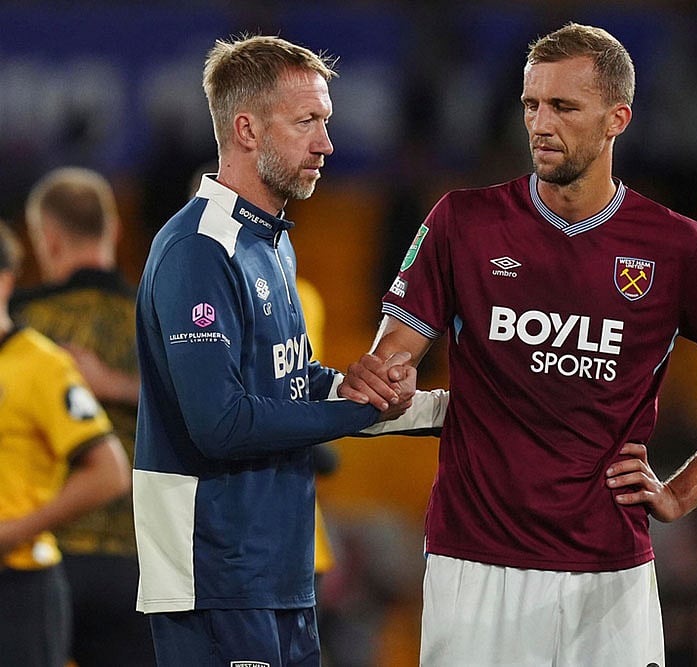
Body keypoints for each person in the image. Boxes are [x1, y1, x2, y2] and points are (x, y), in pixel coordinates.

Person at [340, 22, 697, 667]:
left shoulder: (676, 247)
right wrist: (389, 376)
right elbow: (397, 350)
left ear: (616, 118)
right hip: (473, 563)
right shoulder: (462, 223)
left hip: (611, 572)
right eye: (531, 104)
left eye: (563, 107)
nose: (541, 123)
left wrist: (680, 493)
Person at [132, 35, 447, 666]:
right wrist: (365, 412)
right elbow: (219, 423)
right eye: (307, 122)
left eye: (325, 122)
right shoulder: (200, 249)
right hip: (213, 579)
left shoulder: (273, 242)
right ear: (245, 129)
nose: (326, 143)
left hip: (279, 572)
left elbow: (289, 385)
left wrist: (425, 409)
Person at [11, 166, 154, 665]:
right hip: (142, 561)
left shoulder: (22, 325)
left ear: (46, 239)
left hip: (40, 557)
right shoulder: (158, 316)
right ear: (114, 230)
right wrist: (121, 387)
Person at [0, 220, 131, 667]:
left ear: (5, 281)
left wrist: (11, 533)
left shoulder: (41, 364)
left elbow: (110, 472)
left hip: (20, 580)